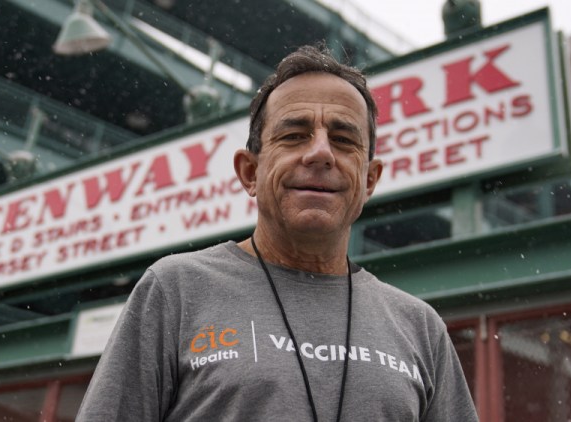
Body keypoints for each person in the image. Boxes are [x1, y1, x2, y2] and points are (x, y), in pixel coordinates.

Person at [77, 45, 478, 422]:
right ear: (250, 172)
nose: (320, 153)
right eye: (293, 135)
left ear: (369, 179)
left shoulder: (420, 327)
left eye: (343, 139)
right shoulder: (175, 290)